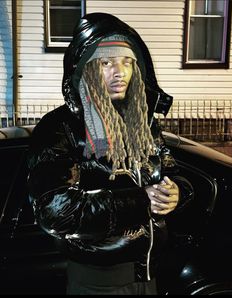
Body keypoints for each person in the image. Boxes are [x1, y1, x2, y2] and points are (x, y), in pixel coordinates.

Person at [27, 12, 194, 295]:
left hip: (149, 273)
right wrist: (140, 200)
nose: (120, 72)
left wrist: (178, 192)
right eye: (107, 63)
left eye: (128, 62)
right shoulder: (60, 127)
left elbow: (172, 172)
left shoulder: (143, 121)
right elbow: (54, 210)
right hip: (98, 281)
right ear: (87, 68)